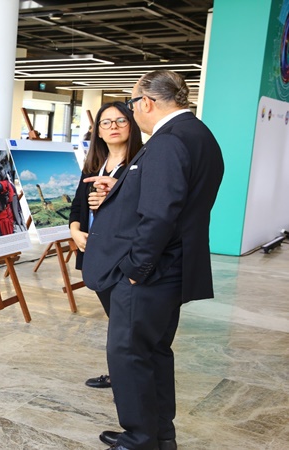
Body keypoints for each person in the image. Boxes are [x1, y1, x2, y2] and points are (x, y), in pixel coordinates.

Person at [81, 70, 224, 450]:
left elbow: (161, 214)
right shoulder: (199, 135)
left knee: (129, 355)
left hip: (151, 273)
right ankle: (160, 435)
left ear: (146, 102)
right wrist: (124, 189)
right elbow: (173, 196)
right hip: (173, 267)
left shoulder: (168, 140)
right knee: (153, 352)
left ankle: (141, 438)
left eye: (131, 104)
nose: (132, 112)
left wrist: (135, 270)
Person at [69, 102, 142, 390]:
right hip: (93, 252)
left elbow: (145, 210)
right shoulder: (93, 165)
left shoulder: (139, 164)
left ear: (132, 125)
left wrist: (111, 204)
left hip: (123, 255)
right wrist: (75, 231)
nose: (113, 127)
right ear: (97, 131)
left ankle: (127, 378)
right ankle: (121, 373)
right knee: (116, 318)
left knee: (127, 322)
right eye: (106, 122)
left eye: (120, 121)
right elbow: (77, 206)